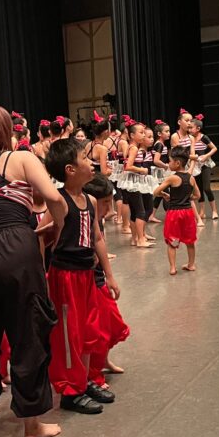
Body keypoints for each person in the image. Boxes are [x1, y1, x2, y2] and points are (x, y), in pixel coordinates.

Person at [0, 104, 67, 437]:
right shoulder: (21, 158)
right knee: (26, 330)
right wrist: (57, 227)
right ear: (6, 130)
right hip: (16, 249)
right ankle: (32, 425)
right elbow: (54, 197)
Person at [42, 138, 120, 414]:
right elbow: (41, 237)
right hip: (65, 277)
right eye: (85, 158)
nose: (91, 162)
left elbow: (96, 237)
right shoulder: (58, 202)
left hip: (86, 276)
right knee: (69, 335)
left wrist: (109, 276)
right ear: (70, 169)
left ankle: (83, 381)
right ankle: (70, 391)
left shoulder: (90, 200)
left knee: (88, 330)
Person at [82, 174, 131, 388]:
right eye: (105, 203)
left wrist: (110, 276)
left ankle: (103, 361)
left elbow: (100, 244)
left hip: (99, 277)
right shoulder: (83, 216)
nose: (108, 207)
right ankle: (93, 374)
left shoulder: (97, 220)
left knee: (112, 324)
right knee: (97, 331)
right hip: (88, 281)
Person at [154, 147, 201, 274]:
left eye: (170, 161)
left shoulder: (172, 178)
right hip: (188, 212)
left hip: (174, 213)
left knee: (172, 241)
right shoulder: (191, 178)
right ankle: (191, 265)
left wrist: (164, 195)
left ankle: (173, 268)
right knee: (190, 241)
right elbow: (198, 195)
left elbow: (156, 192)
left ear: (177, 163)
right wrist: (187, 198)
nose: (168, 163)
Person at [116, 121, 154, 248]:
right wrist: (142, 170)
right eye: (141, 133)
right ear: (132, 135)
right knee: (140, 211)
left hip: (131, 182)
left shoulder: (131, 147)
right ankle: (141, 239)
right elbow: (128, 166)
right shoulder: (134, 148)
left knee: (134, 211)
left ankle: (134, 238)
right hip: (133, 183)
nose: (143, 135)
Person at [188, 115, 219, 221]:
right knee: (199, 189)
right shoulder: (189, 138)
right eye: (188, 127)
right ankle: (202, 211)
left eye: (191, 127)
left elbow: (214, 148)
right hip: (195, 166)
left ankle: (214, 210)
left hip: (205, 164)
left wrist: (206, 156)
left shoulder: (204, 138)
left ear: (198, 128)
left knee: (207, 188)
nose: (189, 129)